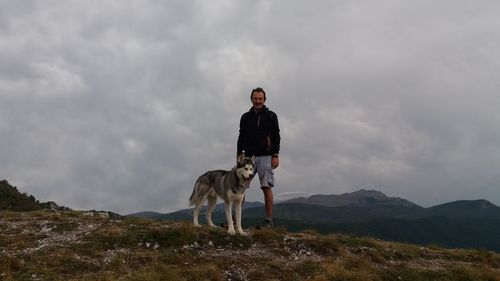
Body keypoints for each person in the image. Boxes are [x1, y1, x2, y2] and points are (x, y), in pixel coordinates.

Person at [237, 87, 280, 228]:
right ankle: (235, 220)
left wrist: (275, 155)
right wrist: (239, 152)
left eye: (260, 99)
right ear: (251, 99)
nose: (258, 101)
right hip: (248, 156)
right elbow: (241, 135)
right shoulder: (245, 117)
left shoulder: (271, 116)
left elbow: (276, 136)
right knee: (240, 186)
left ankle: (269, 221)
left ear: (264, 100)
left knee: (266, 186)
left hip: (266, 156)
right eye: (255, 98)